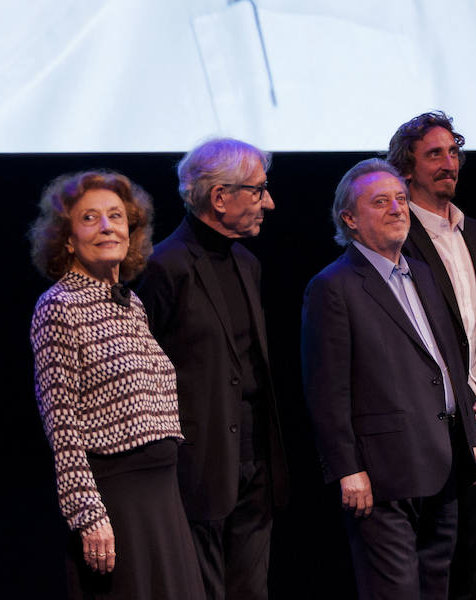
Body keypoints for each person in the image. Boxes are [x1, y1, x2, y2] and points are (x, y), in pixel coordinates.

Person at [301, 158, 476, 600]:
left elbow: (448, 360)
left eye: (401, 199)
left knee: (435, 587)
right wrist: (347, 467)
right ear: (349, 218)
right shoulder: (333, 286)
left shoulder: (422, 272)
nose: (397, 209)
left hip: (441, 461)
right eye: (380, 201)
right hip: (383, 474)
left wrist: (472, 441)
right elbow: (326, 389)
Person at [28, 170, 204, 599]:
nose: (108, 226)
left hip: (162, 499)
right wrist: (88, 514)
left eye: (116, 216)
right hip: (117, 502)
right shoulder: (58, 308)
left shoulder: (131, 303)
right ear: (67, 239)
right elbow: (62, 426)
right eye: (90, 218)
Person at [135, 138, 289, 599]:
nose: (270, 202)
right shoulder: (164, 266)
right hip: (198, 465)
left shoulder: (248, 262)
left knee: (251, 590)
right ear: (220, 197)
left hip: (255, 460)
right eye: (259, 190)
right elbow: (146, 370)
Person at [388, 111, 476, 600]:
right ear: (407, 169)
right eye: (434, 154)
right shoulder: (399, 241)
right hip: (435, 426)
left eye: (453, 152)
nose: (449, 163)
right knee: (436, 563)